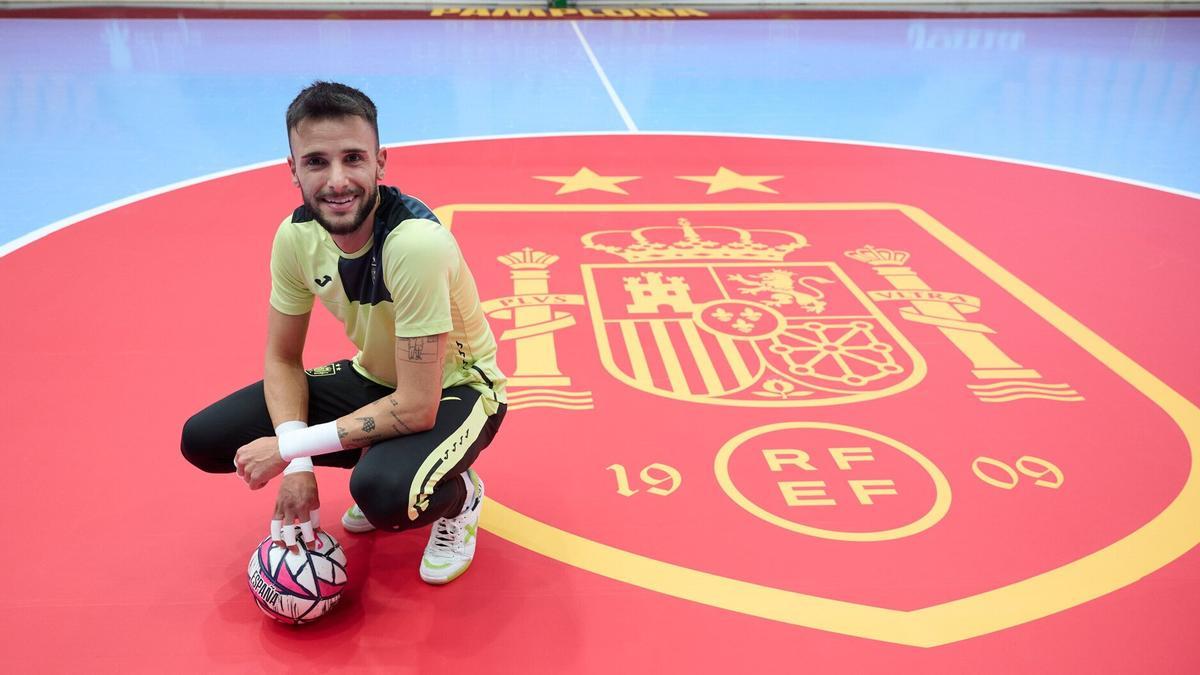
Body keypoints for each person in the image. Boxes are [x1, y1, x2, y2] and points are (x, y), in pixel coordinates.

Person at [180, 81, 506, 585]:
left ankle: (461, 497)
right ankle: (390, 456)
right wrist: (298, 466)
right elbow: (282, 358)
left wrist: (286, 448)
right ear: (293, 170)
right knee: (205, 438)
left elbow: (417, 406)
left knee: (384, 495)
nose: (337, 181)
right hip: (374, 377)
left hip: (456, 391)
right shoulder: (295, 237)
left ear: (380, 163)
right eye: (316, 162)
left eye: (353, 158)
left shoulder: (414, 245)